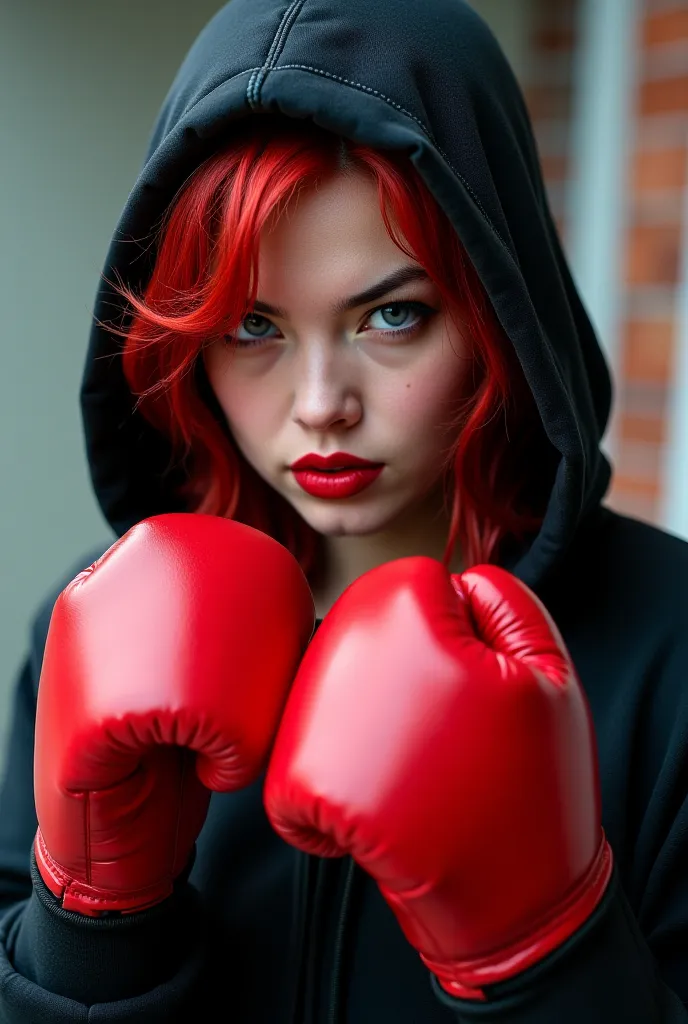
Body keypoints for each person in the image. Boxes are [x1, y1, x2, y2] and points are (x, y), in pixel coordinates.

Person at [0, 0, 686, 1020]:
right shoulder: (89, 624)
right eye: (252, 326)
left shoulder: (671, 640)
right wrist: (93, 921)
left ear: (500, 310)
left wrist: (549, 953)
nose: (321, 404)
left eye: (391, 315)